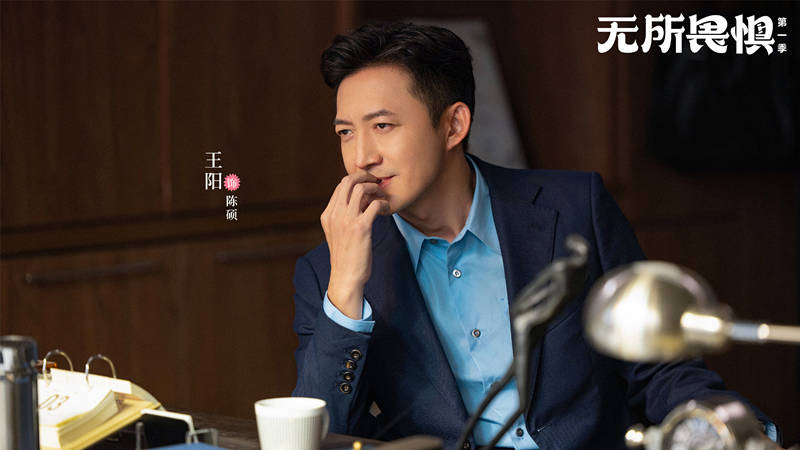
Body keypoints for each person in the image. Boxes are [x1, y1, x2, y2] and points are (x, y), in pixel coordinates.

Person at [291, 22, 778, 449]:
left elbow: (658, 366)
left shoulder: (575, 209)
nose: (362, 157)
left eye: (382, 125)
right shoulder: (326, 273)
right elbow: (322, 433)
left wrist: (741, 435)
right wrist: (346, 286)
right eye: (345, 132)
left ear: (453, 124)